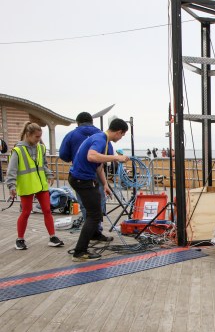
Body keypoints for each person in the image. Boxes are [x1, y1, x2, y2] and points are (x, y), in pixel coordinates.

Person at [68, 118, 130, 261]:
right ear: (119, 132)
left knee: (97, 208)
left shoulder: (104, 141)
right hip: (81, 179)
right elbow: (92, 156)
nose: (120, 138)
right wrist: (116, 157)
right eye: (122, 135)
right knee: (94, 214)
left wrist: (105, 185)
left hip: (85, 178)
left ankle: (95, 234)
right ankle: (80, 252)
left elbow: (99, 166)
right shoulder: (101, 139)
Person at [5, 122, 65, 250]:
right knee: (26, 212)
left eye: (40, 137)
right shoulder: (18, 150)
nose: (39, 140)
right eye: (36, 137)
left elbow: (43, 165)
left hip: (41, 185)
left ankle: (52, 237)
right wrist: (11, 186)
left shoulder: (41, 148)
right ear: (28, 135)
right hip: (27, 185)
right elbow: (11, 170)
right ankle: (19, 239)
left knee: (47, 210)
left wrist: (49, 174)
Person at [59, 112, 110, 238]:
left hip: (80, 173)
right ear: (92, 122)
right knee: (99, 202)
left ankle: (90, 233)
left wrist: (76, 158)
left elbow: (63, 155)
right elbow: (108, 153)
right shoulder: (101, 135)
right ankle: (97, 230)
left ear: (78, 122)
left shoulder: (71, 135)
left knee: (85, 204)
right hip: (97, 170)